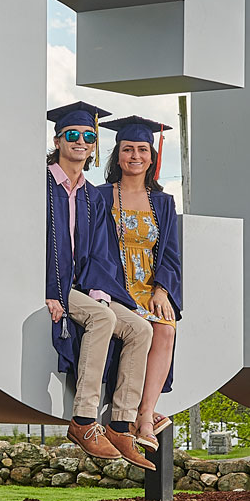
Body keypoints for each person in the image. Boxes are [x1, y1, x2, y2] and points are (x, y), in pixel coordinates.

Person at [45, 102, 153, 470]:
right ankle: (84, 420)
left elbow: (100, 252)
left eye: (88, 137)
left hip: (81, 286)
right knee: (102, 320)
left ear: (93, 147)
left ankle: (122, 424)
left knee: (139, 328)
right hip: (52, 285)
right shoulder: (41, 184)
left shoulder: (92, 196)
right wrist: (50, 291)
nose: (80, 141)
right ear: (58, 140)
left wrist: (101, 291)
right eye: (72, 135)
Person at [101, 113, 181, 451]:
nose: (135, 156)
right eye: (128, 149)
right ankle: (138, 417)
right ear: (117, 155)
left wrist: (162, 289)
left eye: (142, 150)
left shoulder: (163, 203)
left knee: (165, 326)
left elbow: (172, 254)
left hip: (149, 286)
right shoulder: (101, 196)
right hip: (113, 284)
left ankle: (145, 417)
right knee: (141, 328)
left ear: (153, 156)